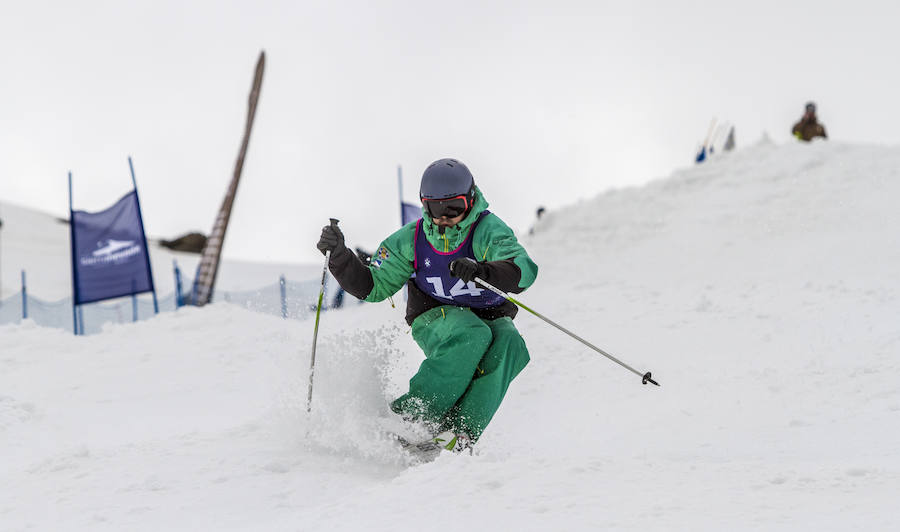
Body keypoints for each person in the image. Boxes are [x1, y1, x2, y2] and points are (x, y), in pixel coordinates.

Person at [316, 158, 538, 453]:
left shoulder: (488, 230)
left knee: (510, 343)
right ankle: (413, 416)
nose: (444, 218)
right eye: (435, 209)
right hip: (434, 314)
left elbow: (523, 269)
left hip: (489, 312)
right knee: (470, 334)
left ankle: (459, 433)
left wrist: (484, 270)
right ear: (424, 205)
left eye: (454, 208)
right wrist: (341, 256)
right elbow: (374, 286)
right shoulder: (413, 238)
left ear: (471, 200)